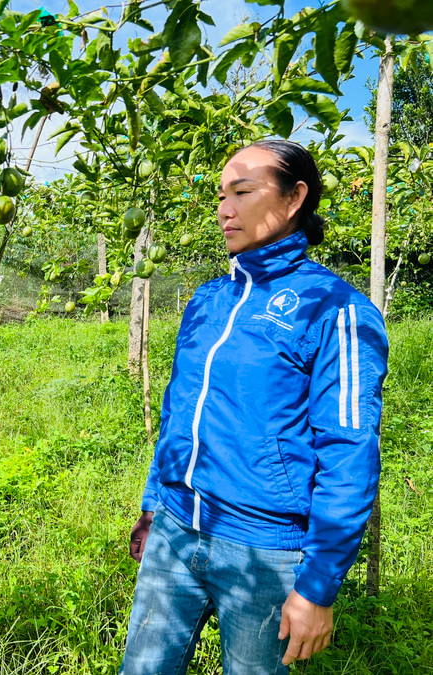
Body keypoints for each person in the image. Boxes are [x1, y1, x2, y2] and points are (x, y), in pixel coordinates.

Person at [119, 140, 389, 674]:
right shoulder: (208, 300)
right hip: (175, 530)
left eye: (243, 192)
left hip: (264, 551)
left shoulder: (336, 310)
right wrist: (154, 503)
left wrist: (317, 588)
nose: (224, 209)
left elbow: (350, 454)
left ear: (294, 200)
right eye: (221, 195)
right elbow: (178, 412)